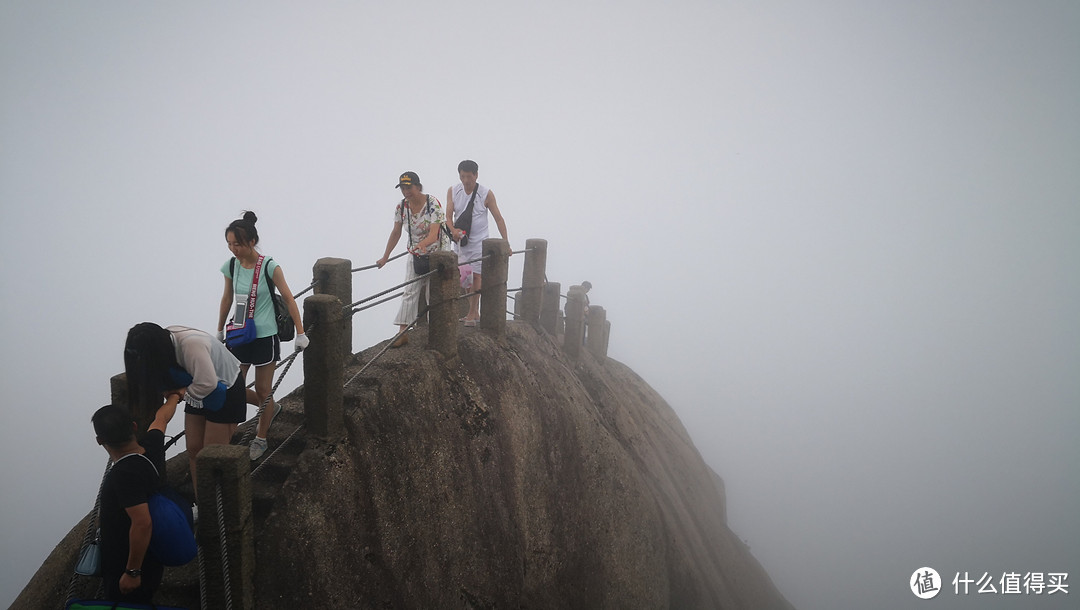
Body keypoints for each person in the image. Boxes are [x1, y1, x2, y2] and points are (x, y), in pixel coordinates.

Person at [217, 211, 308, 461]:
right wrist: (219, 328)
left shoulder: (269, 266)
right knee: (233, 386)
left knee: (263, 387)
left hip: (265, 335)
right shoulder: (232, 266)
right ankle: (239, 429)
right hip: (239, 333)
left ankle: (261, 437)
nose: (233, 249)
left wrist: (300, 332)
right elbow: (227, 298)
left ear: (252, 242)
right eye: (229, 244)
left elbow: (288, 298)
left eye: (237, 244)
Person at [125, 322, 245, 494]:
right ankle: (202, 503)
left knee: (211, 456)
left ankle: (218, 510)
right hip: (194, 385)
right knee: (194, 449)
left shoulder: (190, 345)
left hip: (225, 388)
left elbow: (208, 383)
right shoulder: (163, 343)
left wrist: (178, 395)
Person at [91, 398, 178, 603]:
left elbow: (142, 522)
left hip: (129, 565)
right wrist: (176, 396)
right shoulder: (151, 448)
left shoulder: (123, 474)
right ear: (134, 426)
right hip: (153, 556)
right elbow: (162, 418)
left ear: (100, 440)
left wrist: (132, 572)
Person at [376, 171, 450, 347]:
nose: (405, 191)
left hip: (437, 252)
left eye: (409, 187)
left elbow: (434, 234)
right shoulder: (401, 207)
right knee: (409, 291)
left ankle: (437, 332)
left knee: (432, 292)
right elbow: (396, 232)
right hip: (416, 252)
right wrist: (385, 257)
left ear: (418, 186)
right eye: (402, 188)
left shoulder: (432, 204)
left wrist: (423, 244)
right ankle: (402, 332)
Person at [445, 160, 509, 326]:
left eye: (469, 176)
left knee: (477, 276)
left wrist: (506, 242)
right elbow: (448, 217)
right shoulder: (453, 191)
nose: (466, 180)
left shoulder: (486, 193)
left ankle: (472, 312)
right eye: (463, 176)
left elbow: (499, 218)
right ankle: (474, 311)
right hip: (461, 242)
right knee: (464, 277)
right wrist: (453, 231)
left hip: (479, 242)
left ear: (476, 175)